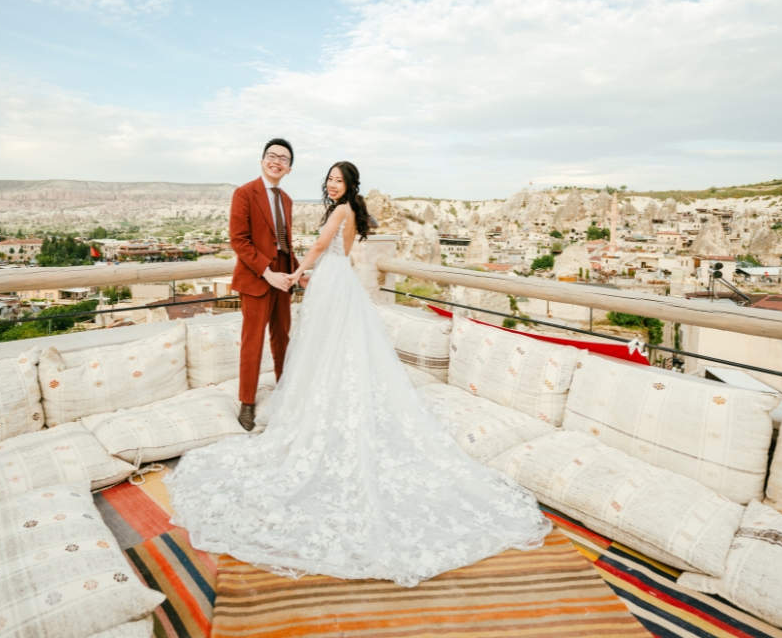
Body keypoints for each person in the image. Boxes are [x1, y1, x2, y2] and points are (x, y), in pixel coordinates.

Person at [165, 161, 549, 588]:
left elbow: (320, 248)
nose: (331, 184)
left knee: (325, 349)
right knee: (331, 350)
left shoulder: (339, 211)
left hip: (327, 281)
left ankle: (324, 415)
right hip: (337, 281)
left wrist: (296, 273)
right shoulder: (349, 210)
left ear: (349, 186)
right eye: (329, 179)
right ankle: (328, 407)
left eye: (338, 180)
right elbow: (340, 254)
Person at [228, 138, 300, 432]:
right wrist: (267, 272)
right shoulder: (244, 193)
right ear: (262, 161)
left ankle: (285, 391)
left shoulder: (287, 200)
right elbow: (239, 241)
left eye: (283, 159)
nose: (277, 161)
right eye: (272, 156)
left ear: (289, 168)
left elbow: (284, 244)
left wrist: (297, 273)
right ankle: (247, 402)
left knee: (282, 337)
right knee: (253, 342)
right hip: (257, 278)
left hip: (283, 277)